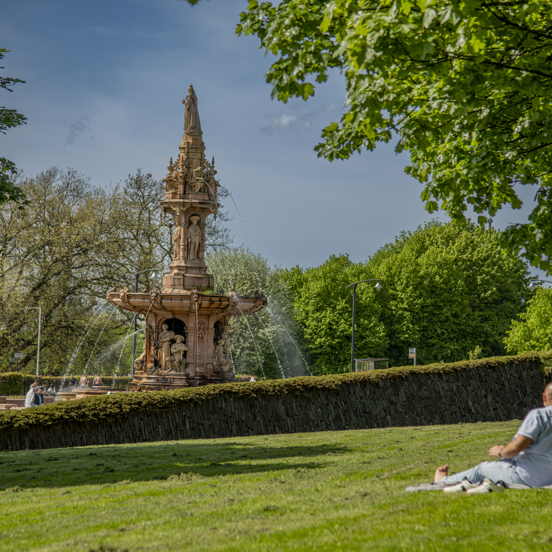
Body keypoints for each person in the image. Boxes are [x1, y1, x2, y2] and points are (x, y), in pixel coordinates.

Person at [434, 383, 552, 494]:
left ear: (544, 397)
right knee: (505, 463)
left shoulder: (539, 416)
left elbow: (516, 448)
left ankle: (443, 481)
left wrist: (500, 452)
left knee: (482, 469)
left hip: (529, 477)